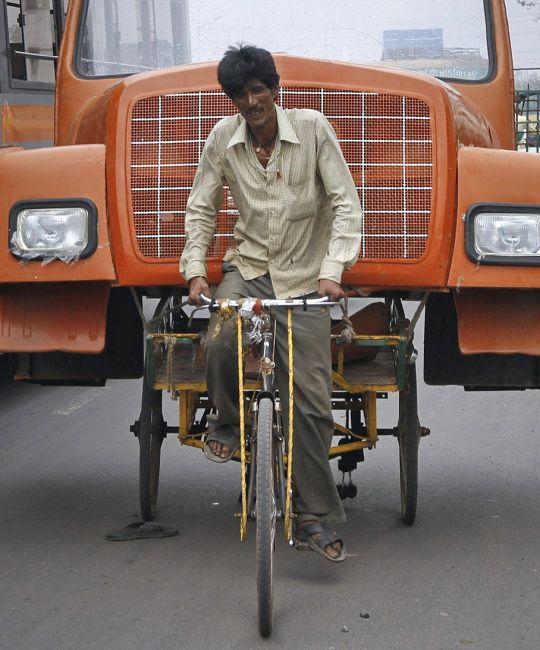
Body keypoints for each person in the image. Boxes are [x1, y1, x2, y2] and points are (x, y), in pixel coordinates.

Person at [179, 45, 362, 561]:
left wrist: (332, 272)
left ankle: (314, 516)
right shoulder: (223, 140)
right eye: (241, 94)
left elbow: (347, 204)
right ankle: (231, 424)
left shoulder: (313, 129)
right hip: (250, 270)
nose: (251, 101)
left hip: (305, 279)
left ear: (275, 90)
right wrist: (195, 270)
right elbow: (201, 209)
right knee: (217, 340)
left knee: (311, 400)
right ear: (233, 99)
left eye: (259, 90)